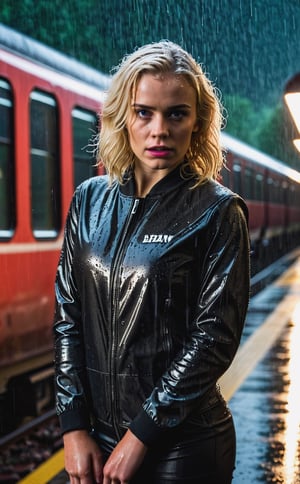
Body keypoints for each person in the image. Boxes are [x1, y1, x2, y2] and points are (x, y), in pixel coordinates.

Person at [53, 40, 250, 484]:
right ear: (124, 116)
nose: (159, 129)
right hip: (96, 438)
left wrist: (141, 434)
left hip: (184, 447)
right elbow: (68, 315)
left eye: (176, 113)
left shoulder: (218, 211)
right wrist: (72, 424)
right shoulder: (89, 200)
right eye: (144, 112)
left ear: (197, 122)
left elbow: (214, 337)